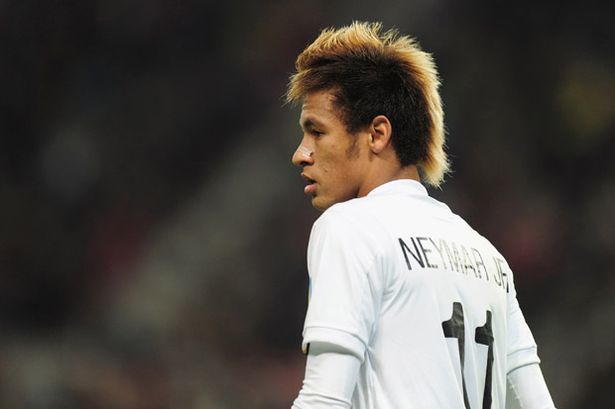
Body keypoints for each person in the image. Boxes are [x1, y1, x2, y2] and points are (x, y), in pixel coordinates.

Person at [286, 22, 556, 409]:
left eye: (316, 131)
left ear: (377, 134)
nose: (301, 154)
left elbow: (323, 400)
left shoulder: (349, 228)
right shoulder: (489, 258)